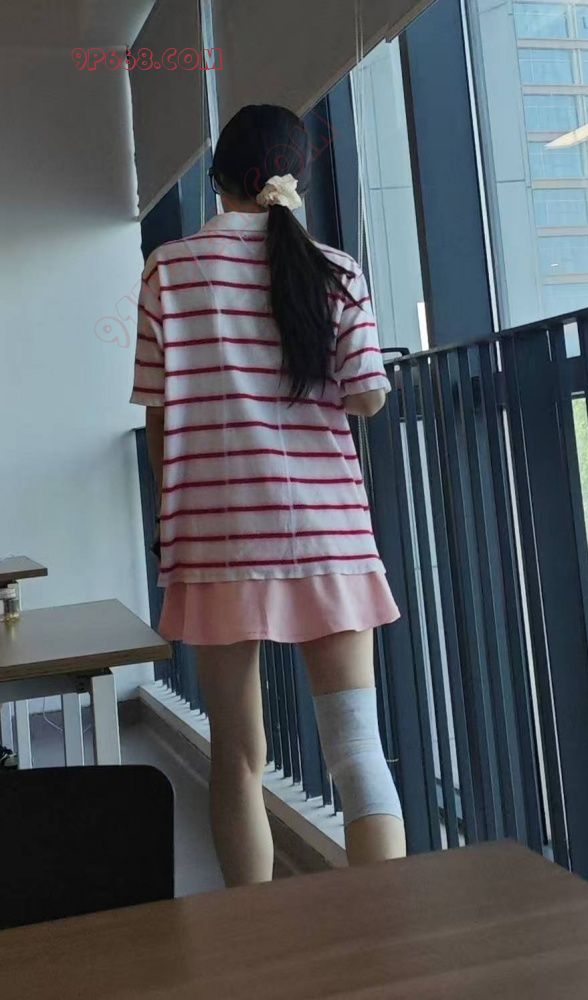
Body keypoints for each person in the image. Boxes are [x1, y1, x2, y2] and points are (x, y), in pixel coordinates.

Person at [131, 104, 405, 888]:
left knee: (238, 756)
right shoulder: (334, 268)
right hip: (328, 533)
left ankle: (255, 935)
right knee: (356, 752)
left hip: (216, 539)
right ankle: (392, 935)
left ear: (217, 178)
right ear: (297, 176)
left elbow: (160, 418)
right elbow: (366, 397)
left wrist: (172, 525)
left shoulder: (168, 269)